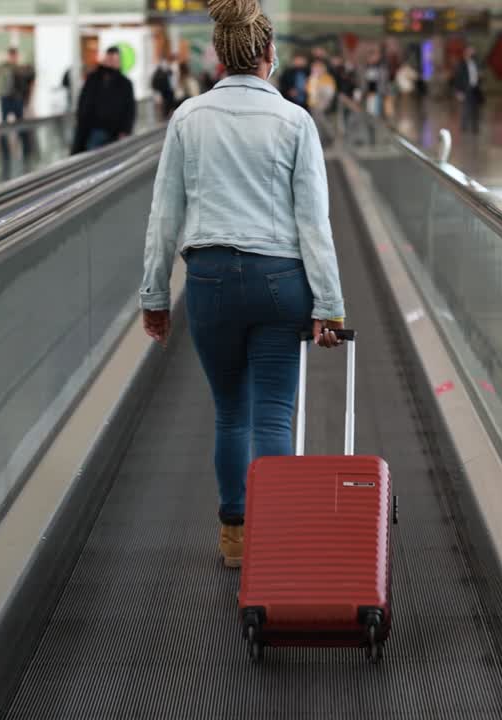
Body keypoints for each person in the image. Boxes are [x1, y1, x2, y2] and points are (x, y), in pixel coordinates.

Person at [139, 0, 347, 569]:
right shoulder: (295, 121)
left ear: (220, 55)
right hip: (281, 279)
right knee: (273, 414)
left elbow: (164, 216)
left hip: (209, 281)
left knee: (230, 412)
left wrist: (155, 297)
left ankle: (235, 538)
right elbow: (314, 223)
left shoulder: (187, 118)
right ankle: (276, 538)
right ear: (268, 55)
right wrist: (328, 305)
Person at [72, 46, 136, 153]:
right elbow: (83, 102)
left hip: (113, 132)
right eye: (109, 59)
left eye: (114, 60)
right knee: (90, 157)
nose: (111, 63)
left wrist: (125, 130)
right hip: (91, 130)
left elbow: (130, 109)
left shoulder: (125, 84)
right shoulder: (93, 79)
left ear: (119, 62)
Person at [0, 48, 35, 165]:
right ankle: (9, 154)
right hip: (11, 99)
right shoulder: (13, 68)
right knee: (8, 124)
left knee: (17, 124)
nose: (14, 57)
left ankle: (23, 153)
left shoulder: (8, 68)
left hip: (11, 99)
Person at [452, 46, 482, 134]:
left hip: (475, 88)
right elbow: (458, 78)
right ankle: (464, 127)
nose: (472, 54)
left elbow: (477, 74)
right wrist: (458, 91)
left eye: (473, 53)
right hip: (466, 89)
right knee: (466, 108)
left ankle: (475, 127)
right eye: (470, 53)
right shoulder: (461, 64)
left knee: (475, 109)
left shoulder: (476, 63)